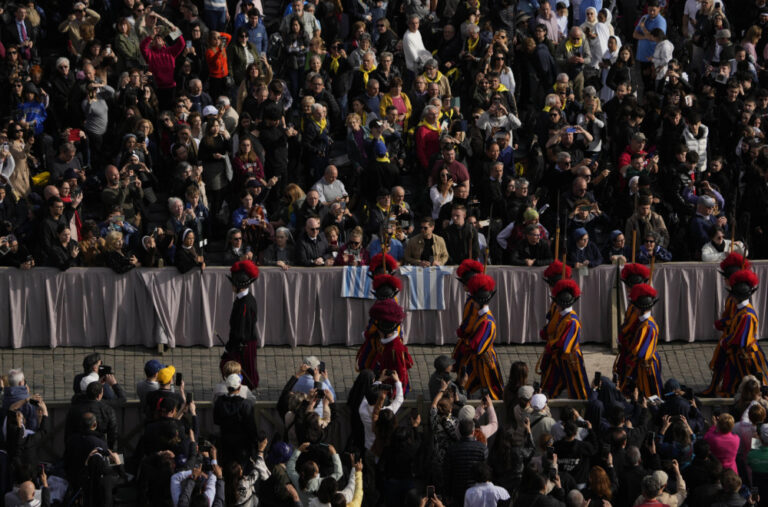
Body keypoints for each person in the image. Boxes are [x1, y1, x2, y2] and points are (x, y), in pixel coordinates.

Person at [701, 253, 751, 396]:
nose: (724, 280)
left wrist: (723, 323)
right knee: (719, 364)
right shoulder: (732, 296)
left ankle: (727, 390)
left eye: (726, 278)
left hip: (733, 339)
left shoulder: (741, 306)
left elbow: (736, 319)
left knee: (730, 366)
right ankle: (714, 388)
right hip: (728, 336)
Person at [453, 274, 504, 399]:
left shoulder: (487, 322)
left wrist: (464, 345)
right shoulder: (481, 316)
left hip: (484, 362)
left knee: (493, 393)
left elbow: (476, 346)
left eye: (474, 300)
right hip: (475, 360)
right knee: (463, 386)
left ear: (480, 302)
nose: (473, 302)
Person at [718, 270, 768, 396]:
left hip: (749, 356)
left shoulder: (747, 315)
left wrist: (725, 342)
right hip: (741, 355)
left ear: (738, 298)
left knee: (758, 386)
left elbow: (741, 339)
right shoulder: (742, 310)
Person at [540, 279, 591, 399]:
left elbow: (564, 346)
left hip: (570, 361)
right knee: (551, 386)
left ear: (561, 305)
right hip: (559, 359)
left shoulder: (572, 321)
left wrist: (550, 346)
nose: (555, 305)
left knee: (578, 390)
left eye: (557, 303)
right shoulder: (563, 316)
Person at [221, 260, 260, 389]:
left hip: (243, 344)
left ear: (239, 285)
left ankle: (241, 389)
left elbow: (240, 330)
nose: (231, 286)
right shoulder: (243, 299)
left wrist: (230, 347)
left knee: (231, 366)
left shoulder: (245, 303)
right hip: (243, 342)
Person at [621, 283, 663, 398]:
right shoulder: (644, 322)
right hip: (644, 363)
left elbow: (640, 352)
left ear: (641, 309)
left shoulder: (647, 326)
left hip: (646, 365)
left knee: (651, 394)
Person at [614, 263, 651, 389]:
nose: (628, 290)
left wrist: (622, 337)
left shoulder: (639, 307)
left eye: (630, 287)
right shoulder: (633, 304)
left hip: (634, 348)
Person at [356, 273, 402, 372]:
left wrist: (367, 334)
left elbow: (371, 329)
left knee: (369, 362)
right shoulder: (394, 306)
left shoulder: (379, 310)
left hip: (378, 343)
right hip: (391, 341)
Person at [367, 298, 414, 394]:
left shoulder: (395, 349)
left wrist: (395, 395)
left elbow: (401, 374)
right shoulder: (386, 344)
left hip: (389, 393)